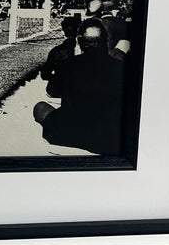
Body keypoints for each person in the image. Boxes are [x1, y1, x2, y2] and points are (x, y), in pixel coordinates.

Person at [33, 21, 125, 155]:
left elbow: (51, 92)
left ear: (80, 42)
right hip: (107, 137)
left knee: (40, 107)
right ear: (104, 41)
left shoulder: (66, 65)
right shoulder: (120, 67)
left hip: (71, 134)